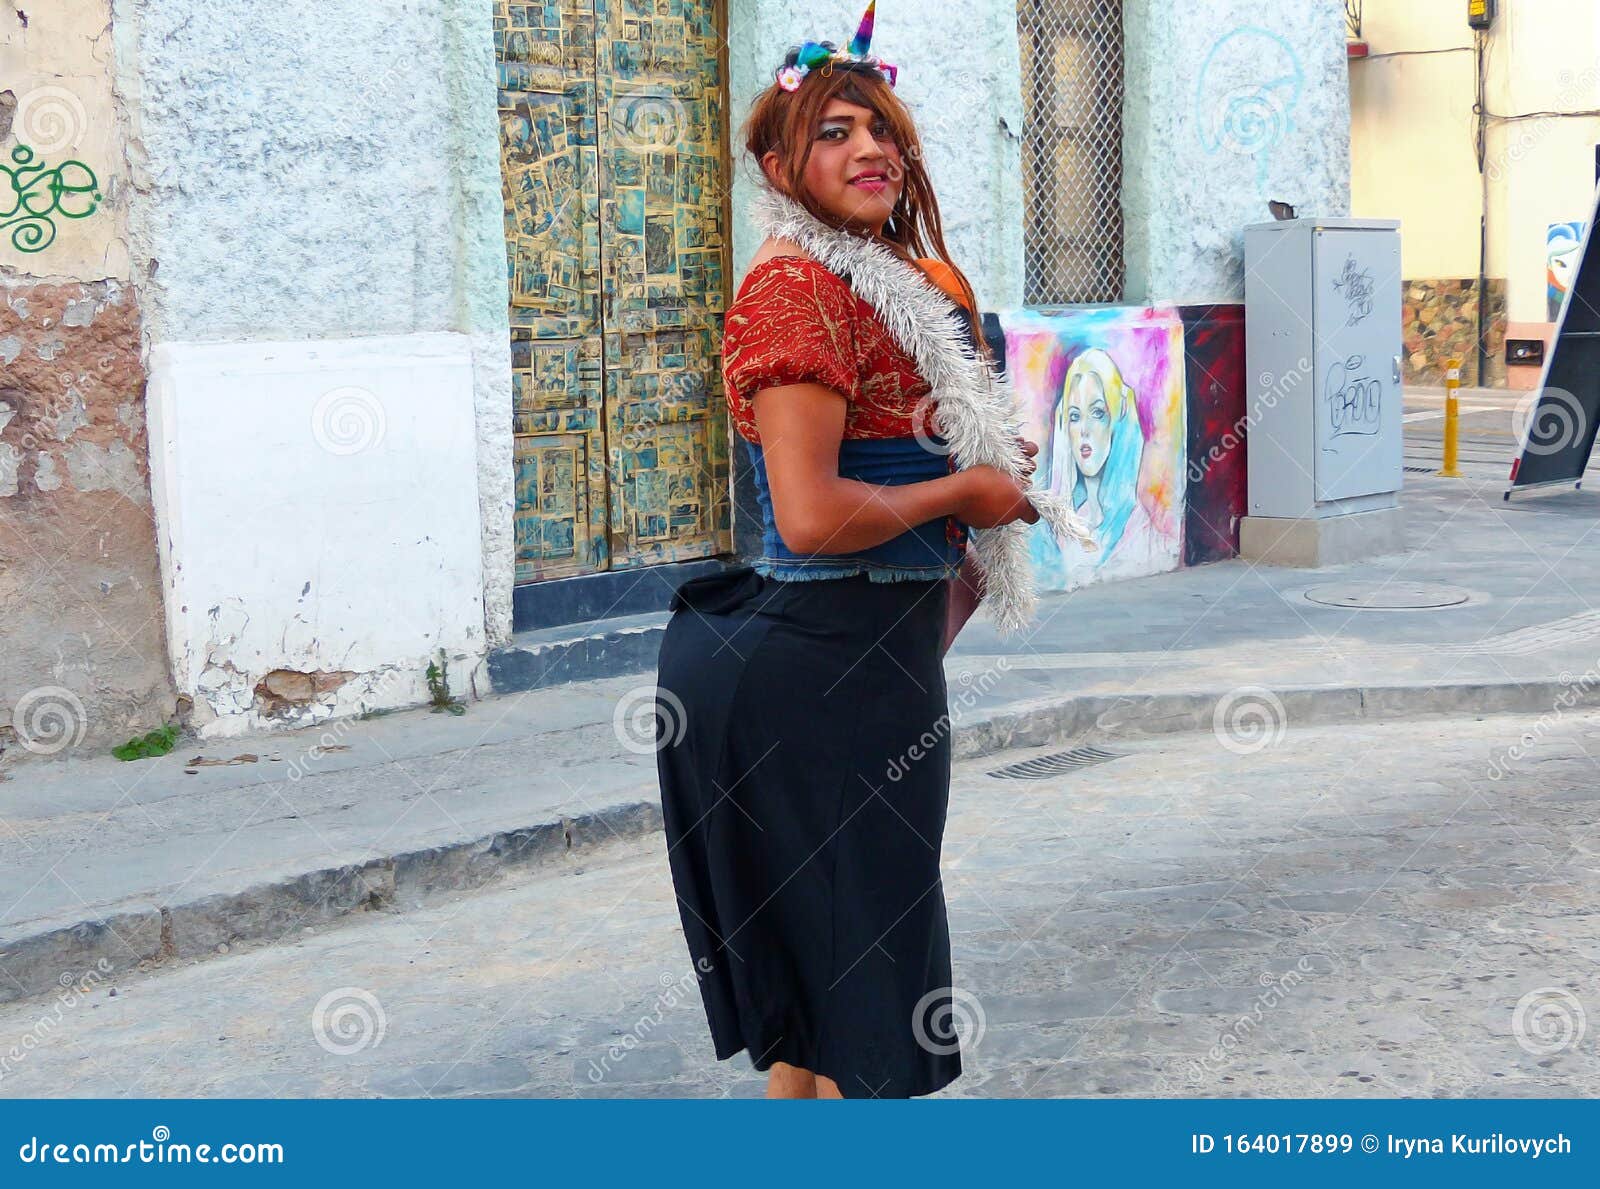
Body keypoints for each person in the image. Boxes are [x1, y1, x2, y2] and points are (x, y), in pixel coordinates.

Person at [652, 3, 1041, 1100]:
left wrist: (972, 466)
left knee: (840, 974)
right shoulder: (794, 289)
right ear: (779, 166)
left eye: (879, 130)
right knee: (869, 966)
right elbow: (812, 515)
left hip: (870, 658)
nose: (868, 149)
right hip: (815, 663)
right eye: (833, 132)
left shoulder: (891, 280)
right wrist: (970, 485)